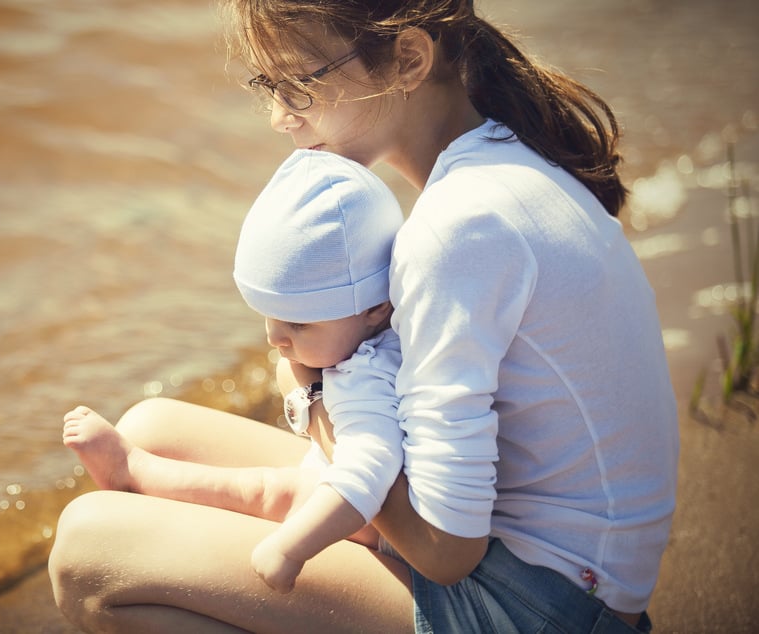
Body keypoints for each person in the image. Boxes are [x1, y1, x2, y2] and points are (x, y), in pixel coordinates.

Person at [49, 2, 679, 632]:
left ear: (407, 59)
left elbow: (445, 552)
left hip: (539, 603)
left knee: (89, 553)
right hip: (550, 565)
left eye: (298, 83)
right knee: (151, 427)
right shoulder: (503, 163)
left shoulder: (457, 229)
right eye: (268, 86)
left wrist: (317, 398)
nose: (277, 116)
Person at [61, 148, 406, 595]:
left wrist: (291, 549)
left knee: (262, 492)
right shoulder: (396, 331)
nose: (274, 339)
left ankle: (135, 471)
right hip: (361, 491)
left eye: (298, 324)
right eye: (269, 316)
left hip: (374, 528)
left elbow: (366, 475)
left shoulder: (369, 380)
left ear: (375, 309)